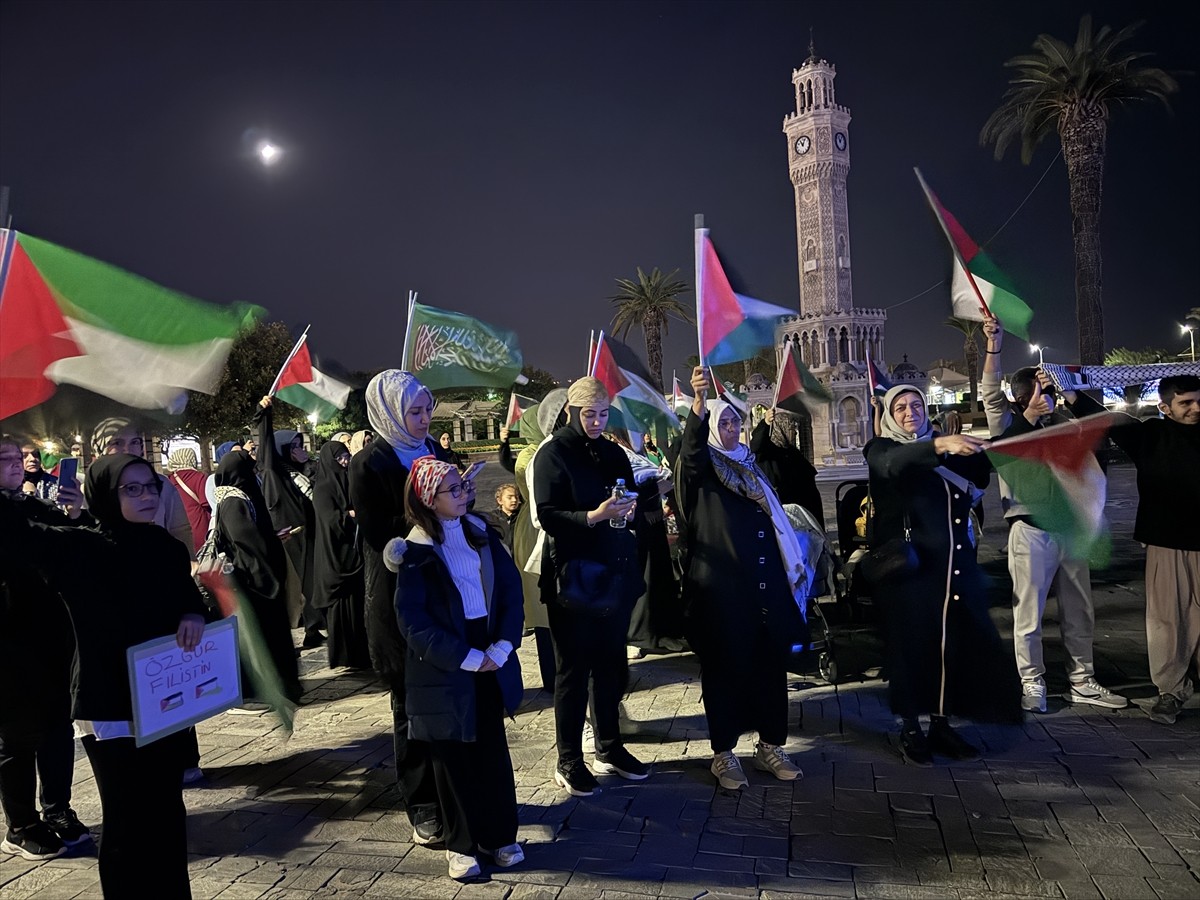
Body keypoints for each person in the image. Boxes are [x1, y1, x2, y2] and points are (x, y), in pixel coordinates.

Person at [0, 453, 206, 898]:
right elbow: (18, 536)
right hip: (110, 703)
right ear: (105, 494)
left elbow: (187, 597)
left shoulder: (166, 547)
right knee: (127, 816)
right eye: (131, 489)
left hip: (163, 699)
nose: (146, 496)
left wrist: (193, 614)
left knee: (167, 809)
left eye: (150, 486)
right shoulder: (80, 547)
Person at [865, 384, 1019, 765]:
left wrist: (1024, 423)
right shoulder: (882, 448)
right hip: (911, 571)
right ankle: (911, 728)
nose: (908, 411)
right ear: (888, 415)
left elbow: (987, 464)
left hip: (953, 568)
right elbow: (892, 465)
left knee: (949, 646)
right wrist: (940, 445)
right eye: (899, 407)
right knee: (911, 647)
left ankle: (941, 723)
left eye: (916, 404)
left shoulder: (949, 447)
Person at [387, 458, 524, 880]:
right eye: (453, 489)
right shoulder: (415, 552)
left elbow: (509, 591)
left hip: (489, 651)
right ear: (429, 499)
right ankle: (461, 843)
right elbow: (413, 622)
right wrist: (464, 657)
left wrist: (502, 645)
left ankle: (499, 835)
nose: (464, 494)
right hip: (445, 666)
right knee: (452, 759)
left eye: (462, 487)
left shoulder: (481, 534)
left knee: (491, 751)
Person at [981, 317, 1126, 714]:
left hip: (1073, 528)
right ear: (1022, 395)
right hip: (1031, 531)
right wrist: (993, 347)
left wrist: (1070, 390)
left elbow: (1104, 425)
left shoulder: (1065, 422)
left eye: (1049, 390)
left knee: (1080, 610)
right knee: (1027, 613)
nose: (1045, 397)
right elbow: (990, 392)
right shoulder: (1008, 424)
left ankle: (1083, 679)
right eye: (1039, 390)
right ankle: (1032, 683)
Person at [673, 368, 809, 790]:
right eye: (723, 422)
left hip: (767, 589)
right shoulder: (700, 471)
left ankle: (770, 745)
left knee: (769, 668)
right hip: (722, 593)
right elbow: (691, 453)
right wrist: (698, 405)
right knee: (724, 669)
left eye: (735, 421)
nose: (731, 429)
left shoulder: (750, 467)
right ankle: (723, 753)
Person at [532, 377, 649, 796]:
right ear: (572, 412)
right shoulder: (553, 453)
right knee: (573, 671)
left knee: (610, 665)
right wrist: (593, 517)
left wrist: (630, 509)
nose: (597, 421)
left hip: (613, 570)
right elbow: (547, 515)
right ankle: (569, 758)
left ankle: (610, 746)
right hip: (572, 576)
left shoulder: (613, 451)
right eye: (589, 414)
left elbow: (629, 495)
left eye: (603, 414)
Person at [349, 370, 448, 844]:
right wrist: (428, 514)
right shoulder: (370, 462)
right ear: (389, 412)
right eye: (414, 411)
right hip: (397, 594)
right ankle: (421, 801)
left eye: (427, 409)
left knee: (446, 694)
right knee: (409, 704)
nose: (424, 418)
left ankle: (450, 791)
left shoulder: (435, 451)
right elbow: (374, 529)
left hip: (444, 589)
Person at [0, 437, 90, 862]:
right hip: (10, 645)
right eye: (5, 459)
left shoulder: (32, 506)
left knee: (58, 728)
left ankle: (58, 810)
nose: (16, 465)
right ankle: (20, 824)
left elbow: (71, 548)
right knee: (17, 738)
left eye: (18, 458)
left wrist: (74, 514)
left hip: (52, 638)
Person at [1103, 374, 1200, 724]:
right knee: (1167, 622)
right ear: (1165, 407)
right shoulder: (1150, 436)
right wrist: (1069, 391)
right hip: (1166, 543)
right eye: (1185, 403)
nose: (1195, 408)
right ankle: (1170, 693)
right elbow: (1103, 419)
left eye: (1198, 401)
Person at [212, 452, 303, 705]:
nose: (254, 476)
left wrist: (272, 538)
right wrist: (271, 543)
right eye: (249, 471)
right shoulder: (233, 500)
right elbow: (246, 540)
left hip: (255, 573)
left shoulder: (238, 498)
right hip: (253, 577)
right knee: (266, 635)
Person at [253, 398, 324, 649]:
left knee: (310, 579)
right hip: (290, 534)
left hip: (308, 532)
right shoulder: (273, 472)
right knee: (297, 584)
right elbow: (267, 449)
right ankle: (306, 628)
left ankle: (314, 626)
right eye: (292, 446)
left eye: (299, 444)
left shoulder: (297, 471)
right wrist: (264, 414)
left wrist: (306, 463)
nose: (298, 449)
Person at [512, 390, 569, 694]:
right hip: (536, 530)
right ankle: (552, 676)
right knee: (544, 608)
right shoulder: (531, 456)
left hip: (543, 527)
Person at [90, 418, 194, 551]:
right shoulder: (90, 491)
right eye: (117, 443)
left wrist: (189, 562)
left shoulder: (162, 484)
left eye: (134, 442)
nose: (127, 450)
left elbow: (180, 530)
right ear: (100, 449)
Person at [312, 441, 369, 670]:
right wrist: (349, 515)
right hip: (334, 556)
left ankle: (361, 654)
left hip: (352, 553)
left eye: (346, 456)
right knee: (340, 611)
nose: (345, 461)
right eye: (340, 458)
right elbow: (329, 520)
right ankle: (344, 657)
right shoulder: (323, 488)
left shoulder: (348, 481)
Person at [748, 407, 824, 528]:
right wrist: (766, 422)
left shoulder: (793, 452)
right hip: (782, 517)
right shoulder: (767, 452)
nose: (794, 432)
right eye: (791, 428)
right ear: (780, 428)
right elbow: (756, 445)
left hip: (804, 517)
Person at [166, 447, 212, 553]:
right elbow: (205, 503)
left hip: (178, 529)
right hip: (199, 527)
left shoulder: (169, 479)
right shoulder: (199, 477)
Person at [484, 483, 521, 552]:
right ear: (500, 500)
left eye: (516, 497)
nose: (514, 500)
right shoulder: (491, 519)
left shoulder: (522, 517)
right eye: (509, 497)